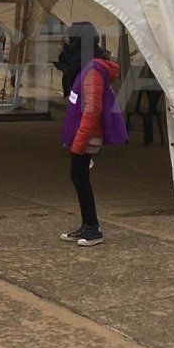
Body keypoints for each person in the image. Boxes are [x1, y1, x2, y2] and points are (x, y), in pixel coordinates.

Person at [58, 22, 128, 247]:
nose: (67, 45)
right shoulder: (88, 67)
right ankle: (87, 225)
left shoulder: (93, 71)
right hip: (84, 135)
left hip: (87, 136)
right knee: (78, 177)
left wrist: (78, 143)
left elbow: (92, 110)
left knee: (79, 177)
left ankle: (92, 228)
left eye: (71, 40)